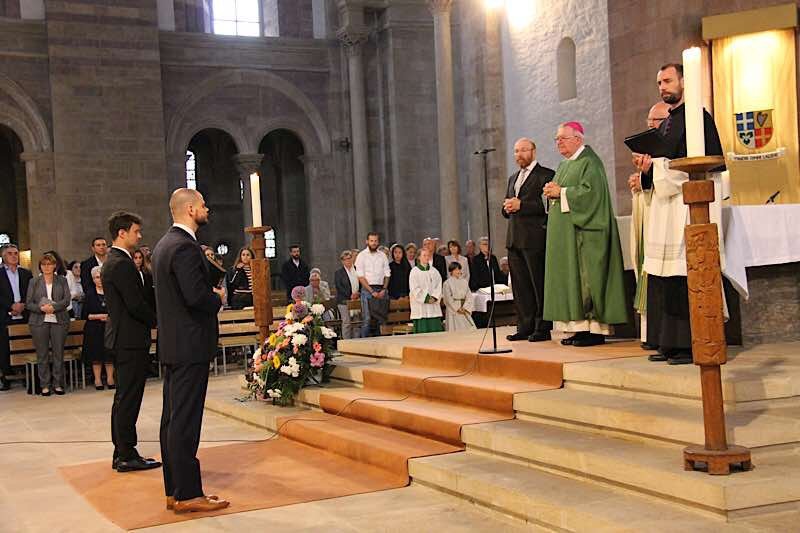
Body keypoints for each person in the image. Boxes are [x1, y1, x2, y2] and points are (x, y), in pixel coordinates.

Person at [633, 63, 725, 365]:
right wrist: (647, 170)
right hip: (665, 208)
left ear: (684, 81)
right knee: (664, 276)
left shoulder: (698, 119)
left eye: (668, 80)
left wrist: (655, 168)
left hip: (688, 209)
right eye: (659, 82)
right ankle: (667, 343)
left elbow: (700, 167)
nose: (663, 87)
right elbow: (662, 163)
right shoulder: (668, 122)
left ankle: (688, 344)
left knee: (684, 274)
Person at [152, 189, 228, 513]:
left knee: (172, 419)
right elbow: (195, 297)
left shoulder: (163, 244)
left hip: (175, 343)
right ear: (192, 208)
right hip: (190, 344)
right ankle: (187, 494)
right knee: (184, 421)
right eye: (204, 205)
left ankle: (176, 490)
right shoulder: (183, 247)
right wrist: (218, 299)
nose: (207, 209)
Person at [542, 122, 627, 347]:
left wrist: (562, 192)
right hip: (567, 236)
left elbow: (593, 195)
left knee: (586, 281)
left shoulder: (590, 162)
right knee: (570, 281)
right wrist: (552, 192)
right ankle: (578, 328)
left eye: (563, 138)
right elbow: (562, 194)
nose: (558, 142)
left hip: (585, 236)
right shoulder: (564, 165)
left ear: (578, 139)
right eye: (557, 139)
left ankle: (594, 330)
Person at [103, 211, 161, 473]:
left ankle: (122, 451)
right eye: (136, 231)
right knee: (128, 397)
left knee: (125, 396)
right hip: (129, 338)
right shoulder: (121, 263)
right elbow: (135, 304)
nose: (139, 236)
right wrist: (158, 321)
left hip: (127, 337)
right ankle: (126, 453)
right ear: (122, 233)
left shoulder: (117, 260)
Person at [502, 137, 555, 342]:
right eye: (516, 151)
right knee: (520, 287)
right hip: (514, 239)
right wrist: (506, 208)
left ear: (533, 151)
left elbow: (547, 207)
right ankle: (524, 326)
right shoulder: (513, 178)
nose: (519, 155)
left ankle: (542, 327)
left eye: (523, 150)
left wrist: (521, 205)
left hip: (535, 239)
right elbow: (509, 205)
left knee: (537, 284)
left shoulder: (546, 175)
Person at [628, 101, 671, 350]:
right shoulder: (651, 149)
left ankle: (659, 335)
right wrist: (641, 180)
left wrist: (647, 176)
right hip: (652, 216)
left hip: (669, 219)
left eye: (654, 122)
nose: (650, 126)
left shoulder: (671, 145)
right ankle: (650, 334)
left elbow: (673, 180)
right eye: (649, 122)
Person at [26, 253, 71, 395]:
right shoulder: (34, 282)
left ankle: (58, 384)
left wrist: (54, 307)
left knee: (58, 353)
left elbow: (67, 300)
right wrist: (41, 309)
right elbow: (28, 303)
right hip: (39, 321)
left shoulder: (62, 280)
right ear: (40, 266)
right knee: (42, 354)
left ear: (54, 265)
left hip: (59, 319)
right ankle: (45, 385)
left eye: (49, 264)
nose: (47, 267)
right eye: (44, 264)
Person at [0, 244, 33, 390]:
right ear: (3, 256)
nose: (14, 256)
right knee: (4, 347)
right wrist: (11, 306)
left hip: (25, 313)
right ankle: (5, 377)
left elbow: (31, 292)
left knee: (25, 344)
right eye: (10, 254)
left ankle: (26, 375)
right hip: (5, 315)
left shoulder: (26, 273)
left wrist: (22, 305)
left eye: (15, 253)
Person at [81, 266, 115, 390]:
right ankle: (97, 379)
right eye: (97, 277)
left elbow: (117, 310)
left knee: (109, 355)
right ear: (93, 279)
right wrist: (98, 316)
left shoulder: (111, 292)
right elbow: (84, 314)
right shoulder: (89, 294)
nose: (100, 279)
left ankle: (111, 379)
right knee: (96, 355)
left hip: (109, 328)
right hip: (94, 328)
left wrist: (109, 317)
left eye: (101, 276)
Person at [355, 232, 391, 337]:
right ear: (367, 241)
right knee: (367, 319)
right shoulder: (361, 256)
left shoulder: (383, 255)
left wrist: (384, 289)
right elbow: (360, 276)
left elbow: (387, 274)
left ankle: (379, 344)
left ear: (378, 242)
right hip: (367, 290)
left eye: (375, 241)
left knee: (380, 319)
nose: (374, 243)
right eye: (371, 241)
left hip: (381, 289)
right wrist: (372, 291)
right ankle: (363, 346)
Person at [409, 247, 443, 333]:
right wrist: (427, 298)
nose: (427, 257)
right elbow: (414, 288)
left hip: (433, 306)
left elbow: (439, 286)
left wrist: (434, 297)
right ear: (419, 257)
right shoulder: (414, 272)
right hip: (421, 306)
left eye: (428, 255)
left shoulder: (434, 271)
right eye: (424, 255)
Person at [333, 250, 360, 339]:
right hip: (344, 301)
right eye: (345, 259)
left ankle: (357, 343)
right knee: (347, 322)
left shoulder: (357, 269)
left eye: (349, 258)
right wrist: (350, 295)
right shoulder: (339, 273)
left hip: (357, 299)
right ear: (342, 261)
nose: (348, 261)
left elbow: (362, 282)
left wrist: (358, 293)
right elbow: (339, 287)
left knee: (356, 323)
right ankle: (346, 343)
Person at [443, 262, 475, 331]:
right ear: (451, 271)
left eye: (459, 269)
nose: (458, 271)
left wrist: (465, 307)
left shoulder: (464, 282)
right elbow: (448, 299)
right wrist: (457, 308)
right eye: (456, 269)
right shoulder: (447, 283)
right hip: (454, 310)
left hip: (464, 309)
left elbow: (469, 296)